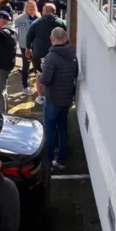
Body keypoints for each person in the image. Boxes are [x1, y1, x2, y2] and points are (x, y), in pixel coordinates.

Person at [38, 27, 78, 170]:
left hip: (53, 99)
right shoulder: (73, 54)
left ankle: (48, 162)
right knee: (62, 129)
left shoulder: (51, 57)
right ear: (65, 38)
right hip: (66, 98)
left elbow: (46, 80)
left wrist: (41, 72)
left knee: (49, 130)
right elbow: (75, 73)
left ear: (51, 39)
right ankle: (61, 159)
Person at [25, 3, 67, 105]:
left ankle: (41, 96)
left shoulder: (36, 22)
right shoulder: (61, 22)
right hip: (56, 53)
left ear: (44, 11)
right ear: (54, 11)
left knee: (39, 73)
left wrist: (28, 48)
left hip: (39, 52)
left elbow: (29, 37)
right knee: (55, 74)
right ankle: (53, 95)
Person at [14, 0, 41, 96]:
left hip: (36, 45)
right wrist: (18, 37)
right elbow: (14, 25)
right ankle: (25, 86)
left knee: (37, 65)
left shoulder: (39, 17)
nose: (30, 9)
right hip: (25, 45)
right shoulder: (22, 17)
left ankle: (40, 86)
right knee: (26, 65)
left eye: (32, 6)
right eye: (28, 7)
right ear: (26, 8)